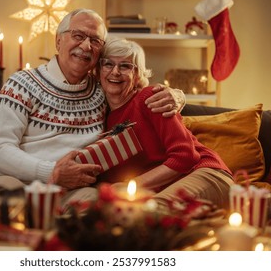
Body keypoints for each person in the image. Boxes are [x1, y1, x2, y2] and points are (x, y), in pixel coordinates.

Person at [0, 9, 185, 217]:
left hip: (68, 190)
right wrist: (52, 172)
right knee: (14, 204)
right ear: (58, 40)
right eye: (78, 35)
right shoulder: (21, 84)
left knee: (98, 209)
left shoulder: (102, 89)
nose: (86, 46)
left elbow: (138, 95)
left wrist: (177, 96)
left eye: (95, 41)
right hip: (8, 179)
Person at [97, 36, 234, 213]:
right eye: (108, 64)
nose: (115, 71)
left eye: (125, 66)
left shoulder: (151, 98)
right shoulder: (101, 116)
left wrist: (129, 186)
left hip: (206, 173)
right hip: (164, 188)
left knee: (151, 211)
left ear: (138, 74)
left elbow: (185, 156)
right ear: (99, 70)